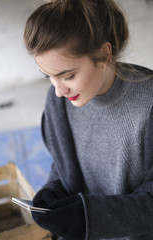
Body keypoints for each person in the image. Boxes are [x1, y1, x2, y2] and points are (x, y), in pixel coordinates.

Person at [23, 0, 153, 239]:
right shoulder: (58, 101)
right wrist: (53, 190)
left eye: (68, 75)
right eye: (48, 76)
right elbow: (64, 165)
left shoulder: (149, 104)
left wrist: (88, 216)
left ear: (104, 54)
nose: (59, 90)